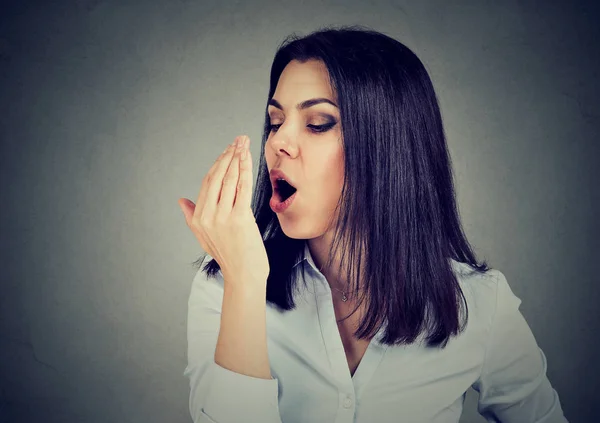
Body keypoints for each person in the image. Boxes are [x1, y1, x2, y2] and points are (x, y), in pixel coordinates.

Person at [178, 25, 568, 423]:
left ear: (387, 146)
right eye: (275, 121)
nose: (278, 142)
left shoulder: (479, 305)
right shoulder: (225, 291)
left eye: (317, 123)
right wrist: (244, 284)